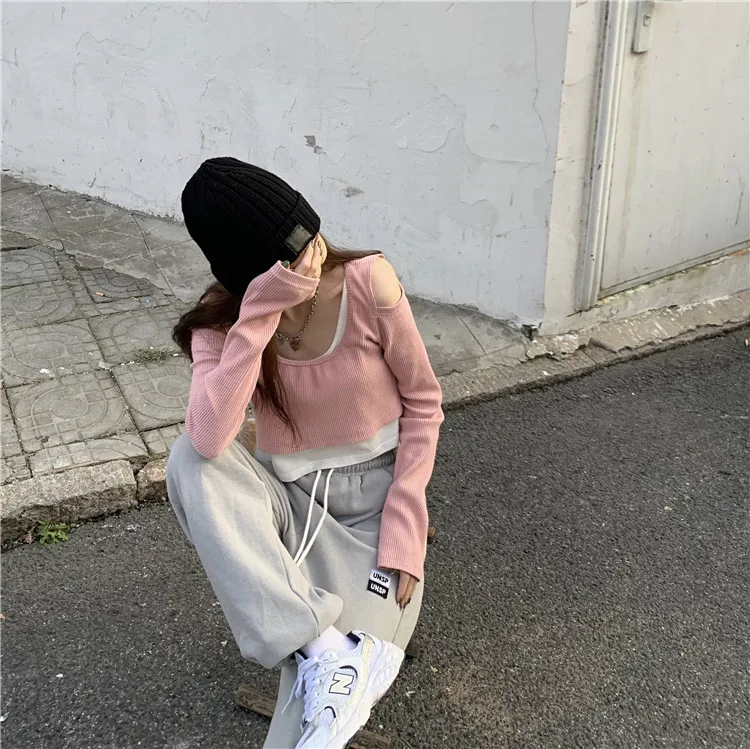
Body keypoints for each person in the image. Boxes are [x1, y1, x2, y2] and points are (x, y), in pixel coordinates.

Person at [166, 157, 443, 749]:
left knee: (303, 736)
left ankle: (325, 645)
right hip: (288, 512)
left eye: (306, 232)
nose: (310, 252)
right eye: (289, 253)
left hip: (372, 519)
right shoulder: (223, 325)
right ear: (251, 274)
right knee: (187, 458)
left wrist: (405, 525)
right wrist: (260, 313)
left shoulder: (369, 282)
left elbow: (424, 404)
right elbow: (210, 437)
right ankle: (322, 645)